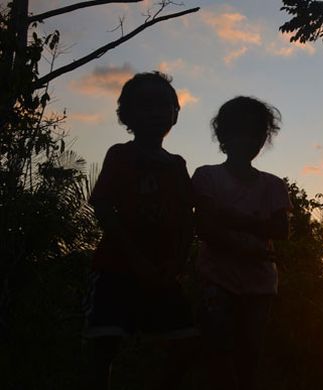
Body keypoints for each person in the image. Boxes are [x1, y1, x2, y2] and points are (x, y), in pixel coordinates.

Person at [84, 71, 197, 390]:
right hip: (115, 269)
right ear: (126, 114)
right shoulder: (120, 155)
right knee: (103, 347)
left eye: (164, 104)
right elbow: (104, 208)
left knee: (184, 345)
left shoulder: (177, 165)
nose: (157, 111)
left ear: (176, 112)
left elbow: (188, 219)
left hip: (164, 272)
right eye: (146, 105)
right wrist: (137, 260)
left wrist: (178, 263)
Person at [192, 96, 291, 390]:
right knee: (218, 351)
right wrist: (252, 241)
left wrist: (231, 218)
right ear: (224, 135)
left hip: (260, 285)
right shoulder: (207, 176)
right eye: (242, 132)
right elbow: (206, 227)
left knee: (249, 356)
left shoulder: (274, 185)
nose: (251, 140)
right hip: (216, 280)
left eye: (257, 134)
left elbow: (282, 230)